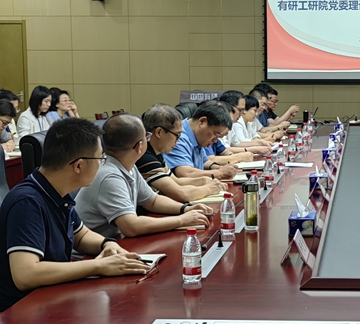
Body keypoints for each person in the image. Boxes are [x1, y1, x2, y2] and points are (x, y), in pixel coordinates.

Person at [0, 119, 149, 312]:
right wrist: (99, 266)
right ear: (78, 165)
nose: (102, 164)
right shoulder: (27, 203)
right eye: (100, 158)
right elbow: (26, 274)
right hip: (22, 312)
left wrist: (107, 244)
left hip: (52, 297)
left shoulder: (56, 192)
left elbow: (82, 235)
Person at [75, 113, 213, 238]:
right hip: (94, 252)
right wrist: (182, 220)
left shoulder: (127, 165)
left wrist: (186, 209)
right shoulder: (109, 176)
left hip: (114, 245)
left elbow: (152, 201)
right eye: (146, 137)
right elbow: (131, 227)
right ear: (139, 146)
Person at [136, 104, 228, 203]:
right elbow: (181, 194)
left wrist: (204, 180)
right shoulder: (145, 157)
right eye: (177, 135)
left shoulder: (156, 153)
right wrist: (209, 189)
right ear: (159, 132)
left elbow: (176, 181)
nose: (178, 140)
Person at [163, 101, 238, 179]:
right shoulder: (178, 137)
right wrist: (220, 173)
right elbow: (185, 173)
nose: (215, 140)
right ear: (202, 122)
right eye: (215, 134)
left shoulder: (197, 135)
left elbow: (205, 162)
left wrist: (220, 168)